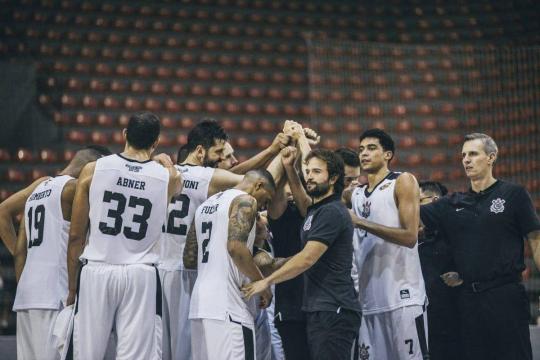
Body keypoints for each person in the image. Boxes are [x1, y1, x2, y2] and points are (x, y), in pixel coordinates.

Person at [158, 119, 288, 360]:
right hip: (195, 274)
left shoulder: (163, 173)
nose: (222, 159)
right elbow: (251, 180)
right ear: (199, 151)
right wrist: (279, 151)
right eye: (218, 152)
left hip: (159, 269)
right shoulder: (209, 179)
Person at [66, 112, 182, 360]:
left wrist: (72, 287)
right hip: (141, 274)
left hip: (96, 270)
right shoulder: (168, 177)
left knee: (86, 354)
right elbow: (176, 179)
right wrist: (165, 162)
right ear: (156, 142)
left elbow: (76, 235)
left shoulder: (92, 170)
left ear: (125, 135)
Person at [420, 133, 540, 360]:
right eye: (463, 155)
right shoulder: (451, 204)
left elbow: (536, 240)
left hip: (506, 296)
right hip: (467, 302)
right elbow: (408, 218)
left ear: (491, 157)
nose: (466, 159)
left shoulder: (513, 195)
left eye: (473, 154)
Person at [243, 148, 361, 360]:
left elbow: (307, 257)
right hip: (320, 308)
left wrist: (266, 281)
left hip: (334, 308)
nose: (310, 176)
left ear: (334, 178)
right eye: (308, 171)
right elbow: (305, 202)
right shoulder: (318, 210)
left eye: (317, 171)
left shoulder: (332, 211)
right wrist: (289, 167)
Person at [10, 146, 111, 360]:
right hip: (56, 293)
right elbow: (78, 238)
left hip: (27, 294)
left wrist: (27, 277)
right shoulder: (73, 189)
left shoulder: (38, 187)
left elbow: (19, 250)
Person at [347, 129, 428, 360]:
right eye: (361, 149)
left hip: (403, 297)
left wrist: (361, 223)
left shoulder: (402, 181)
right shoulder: (356, 193)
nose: (364, 154)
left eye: (371, 148)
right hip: (368, 300)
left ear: (388, 154)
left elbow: (410, 236)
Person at [183, 170, 276, 360]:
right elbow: (235, 247)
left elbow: (189, 258)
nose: (263, 206)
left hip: (200, 306)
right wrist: (262, 284)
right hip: (230, 307)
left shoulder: (205, 205)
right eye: (266, 200)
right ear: (258, 185)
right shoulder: (246, 201)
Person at [418, 181, 460, 360]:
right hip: (423, 318)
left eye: (419, 200)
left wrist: (461, 275)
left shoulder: (457, 232)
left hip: (453, 318)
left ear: (435, 200)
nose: (415, 207)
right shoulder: (415, 238)